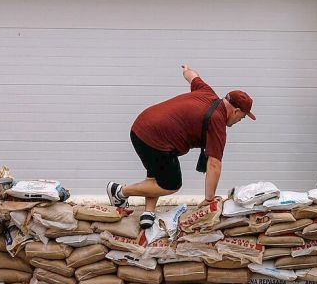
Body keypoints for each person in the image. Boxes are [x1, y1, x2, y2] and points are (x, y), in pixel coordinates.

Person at [107, 65, 255, 228]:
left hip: (144, 124)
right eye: (242, 117)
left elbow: (193, 76)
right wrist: (209, 199)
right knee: (170, 184)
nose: (240, 120)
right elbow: (214, 164)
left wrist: (186, 70)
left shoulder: (207, 92)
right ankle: (120, 192)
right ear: (236, 111)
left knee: (158, 171)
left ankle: (148, 211)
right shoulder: (217, 120)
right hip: (152, 136)